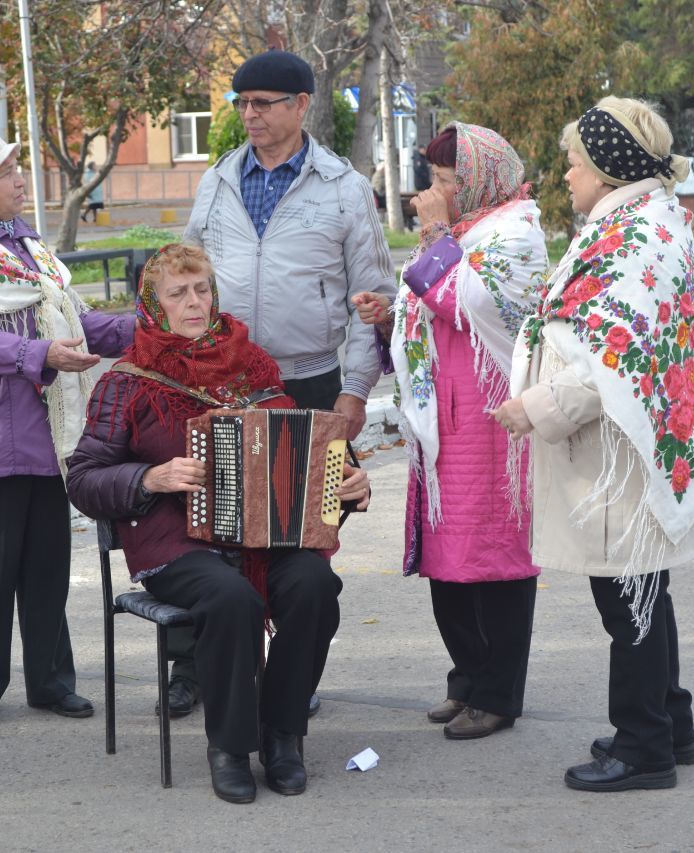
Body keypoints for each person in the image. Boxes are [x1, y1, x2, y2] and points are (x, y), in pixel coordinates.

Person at [65, 243, 370, 803]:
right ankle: (229, 746)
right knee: (232, 599)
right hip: (176, 544)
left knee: (314, 585)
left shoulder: (253, 364)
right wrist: (149, 478)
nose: (194, 302)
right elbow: (83, 478)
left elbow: (309, 452)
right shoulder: (126, 381)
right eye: (177, 293)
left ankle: (283, 734)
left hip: (267, 538)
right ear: (153, 306)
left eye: (202, 288)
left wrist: (349, 483)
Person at [493, 96, 694, 793]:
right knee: (642, 591)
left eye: (574, 162)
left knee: (630, 600)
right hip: (626, 449)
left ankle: (643, 744)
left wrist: (535, 406)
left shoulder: (635, 236)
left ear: (606, 165)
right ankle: (668, 722)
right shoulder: (638, 222)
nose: (566, 174)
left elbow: (616, 361)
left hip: (616, 455)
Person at [176, 48, 397, 715]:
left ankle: (290, 681)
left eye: (265, 104)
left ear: (302, 106)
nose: (251, 115)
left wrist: (354, 390)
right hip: (221, 383)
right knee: (207, 531)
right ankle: (195, 667)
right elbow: (184, 275)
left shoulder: (342, 187)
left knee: (306, 542)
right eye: (242, 104)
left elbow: (373, 294)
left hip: (309, 387)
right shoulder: (216, 182)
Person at [0, 128, 134, 725]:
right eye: (10, 171)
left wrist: (154, 328)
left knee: (46, 571)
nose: (21, 180)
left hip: (46, 437)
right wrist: (40, 356)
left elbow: (79, 320)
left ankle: (52, 682)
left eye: (20, 168)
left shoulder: (27, 243)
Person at [350, 123, 544, 740]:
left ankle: (498, 693)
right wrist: (390, 319)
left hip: (491, 425)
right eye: (433, 180)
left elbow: (474, 302)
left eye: (446, 181)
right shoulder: (466, 233)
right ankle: (466, 679)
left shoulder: (517, 233)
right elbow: (428, 302)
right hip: (442, 424)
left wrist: (433, 234)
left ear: (480, 180)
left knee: (496, 560)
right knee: (447, 558)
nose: (433, 193)